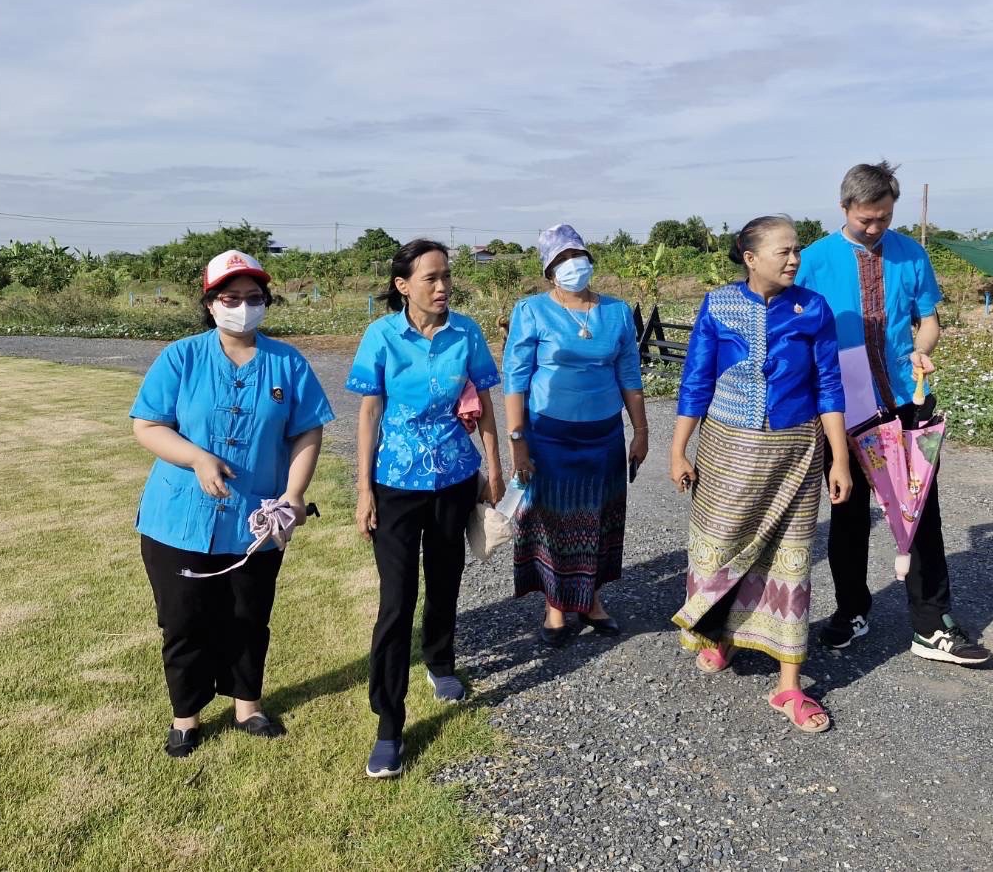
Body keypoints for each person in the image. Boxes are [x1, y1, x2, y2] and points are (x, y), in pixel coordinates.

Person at [130, 249, 335, 758]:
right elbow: (147, 425)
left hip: (255, 520)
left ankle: (248, 705)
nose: (242, 307)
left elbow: (307, 431)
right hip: (178, 520)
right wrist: (197, 458)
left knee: (248, 615)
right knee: (183, 620)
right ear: (210, 303)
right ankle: (187, 716)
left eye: (253, 298)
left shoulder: (287, 362)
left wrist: (293, 495)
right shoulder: (181, 357)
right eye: (230, 298)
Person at [795, 160, 992, 666]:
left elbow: (929, 320)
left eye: (883, 217)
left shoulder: (910, 254)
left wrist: (922, 349)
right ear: (844, 209)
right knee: (848, 512)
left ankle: (931, 624)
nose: (875, 227)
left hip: (906, 400)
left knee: (919, 511)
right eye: (866, 219)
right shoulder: (814, 260)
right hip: (843, 407)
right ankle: (851, 610)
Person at [669, 215, 852, 733]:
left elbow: (829, 388)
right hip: (727, 447)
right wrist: (679, 450)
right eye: (784, 251)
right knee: (725, 546)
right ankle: (721, 639)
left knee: (790, 559)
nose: (794, 259)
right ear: (751, 258)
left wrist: (838, 459)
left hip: (796, 449)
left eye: (796, 250)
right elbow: (696, 382)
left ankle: (789, 685)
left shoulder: (812, 308)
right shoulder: (718, 304)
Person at [348, 239, 506, 780]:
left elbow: (482, 403)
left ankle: (440, 662)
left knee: (444, 581)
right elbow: (369, 416)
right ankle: (389, 724)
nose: (442, 288)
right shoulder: (382, 336)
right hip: (394, 482)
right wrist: (363, 489)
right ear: (403, 285)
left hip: (455, 478)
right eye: (431, 279)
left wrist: (494, 465)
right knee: (397, 600)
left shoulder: (467, 332)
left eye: (446, 278)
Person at [502, 223, 649, 647]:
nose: (573, 266)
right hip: (548, 438)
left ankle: (591, 600)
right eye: (562, 260)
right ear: (549, 270)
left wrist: (640, 429)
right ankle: (554, 605)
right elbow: (515, 379)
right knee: (553, 522)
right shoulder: (531, 311)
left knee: (598, 519)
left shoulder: (617, 312)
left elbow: (628, 373)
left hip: (603, 438)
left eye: (577, 256)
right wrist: (518, 441)